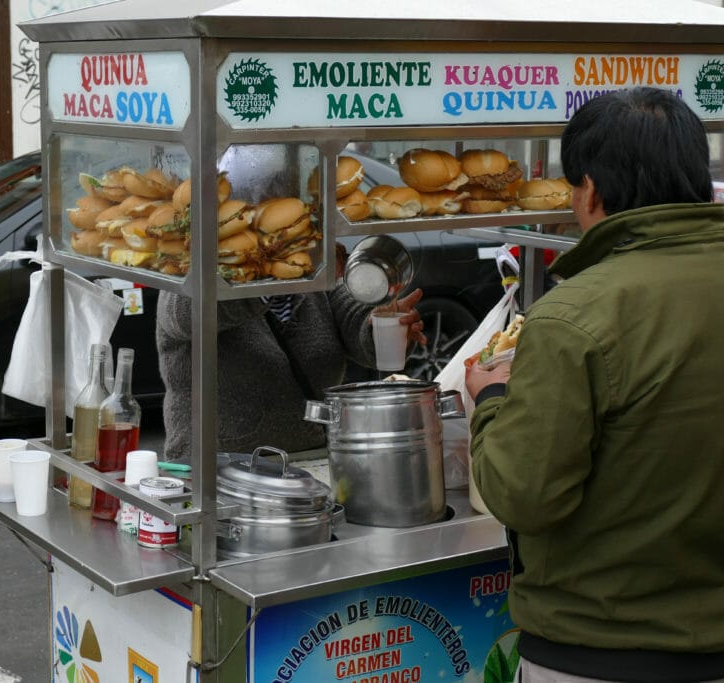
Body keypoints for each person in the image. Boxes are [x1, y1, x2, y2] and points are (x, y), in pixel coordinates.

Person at [466, 86, 724, 683]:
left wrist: (492, 399)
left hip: (602, 649)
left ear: (589, 191)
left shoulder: (576, 315)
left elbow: (524, 494)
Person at [157, 249, 425, 458]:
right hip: (218, 471)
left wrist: (379, 326)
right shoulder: (190, 266)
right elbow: (185, 315)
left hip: (310, 465)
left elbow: (351, 317)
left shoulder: (312, 273)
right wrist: (270, 282)